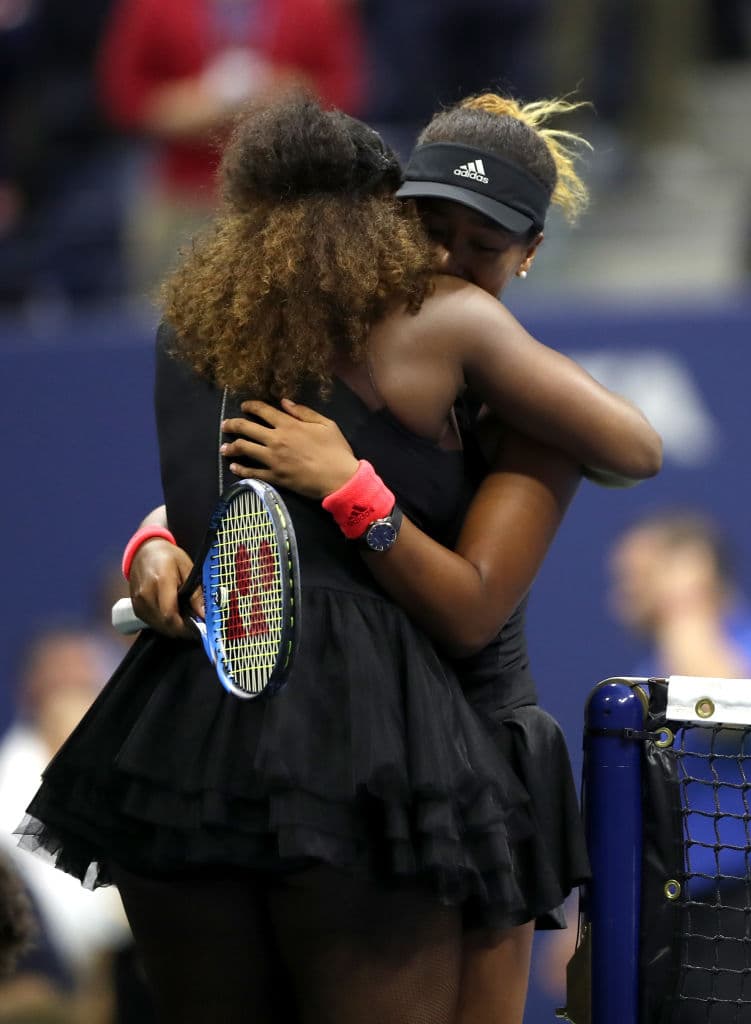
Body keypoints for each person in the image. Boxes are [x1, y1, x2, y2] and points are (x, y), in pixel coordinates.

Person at [18, 91, 660, 1024]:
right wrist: (158, 535)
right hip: (354, 750)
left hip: (453, 742)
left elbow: (629, 455)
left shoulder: (509, 396)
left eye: (481, 245)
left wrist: (350, 488)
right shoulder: (397, 326)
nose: (445, 260)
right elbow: (249, 511)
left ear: (528, 253)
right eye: (427, 227)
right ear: (384, 214)